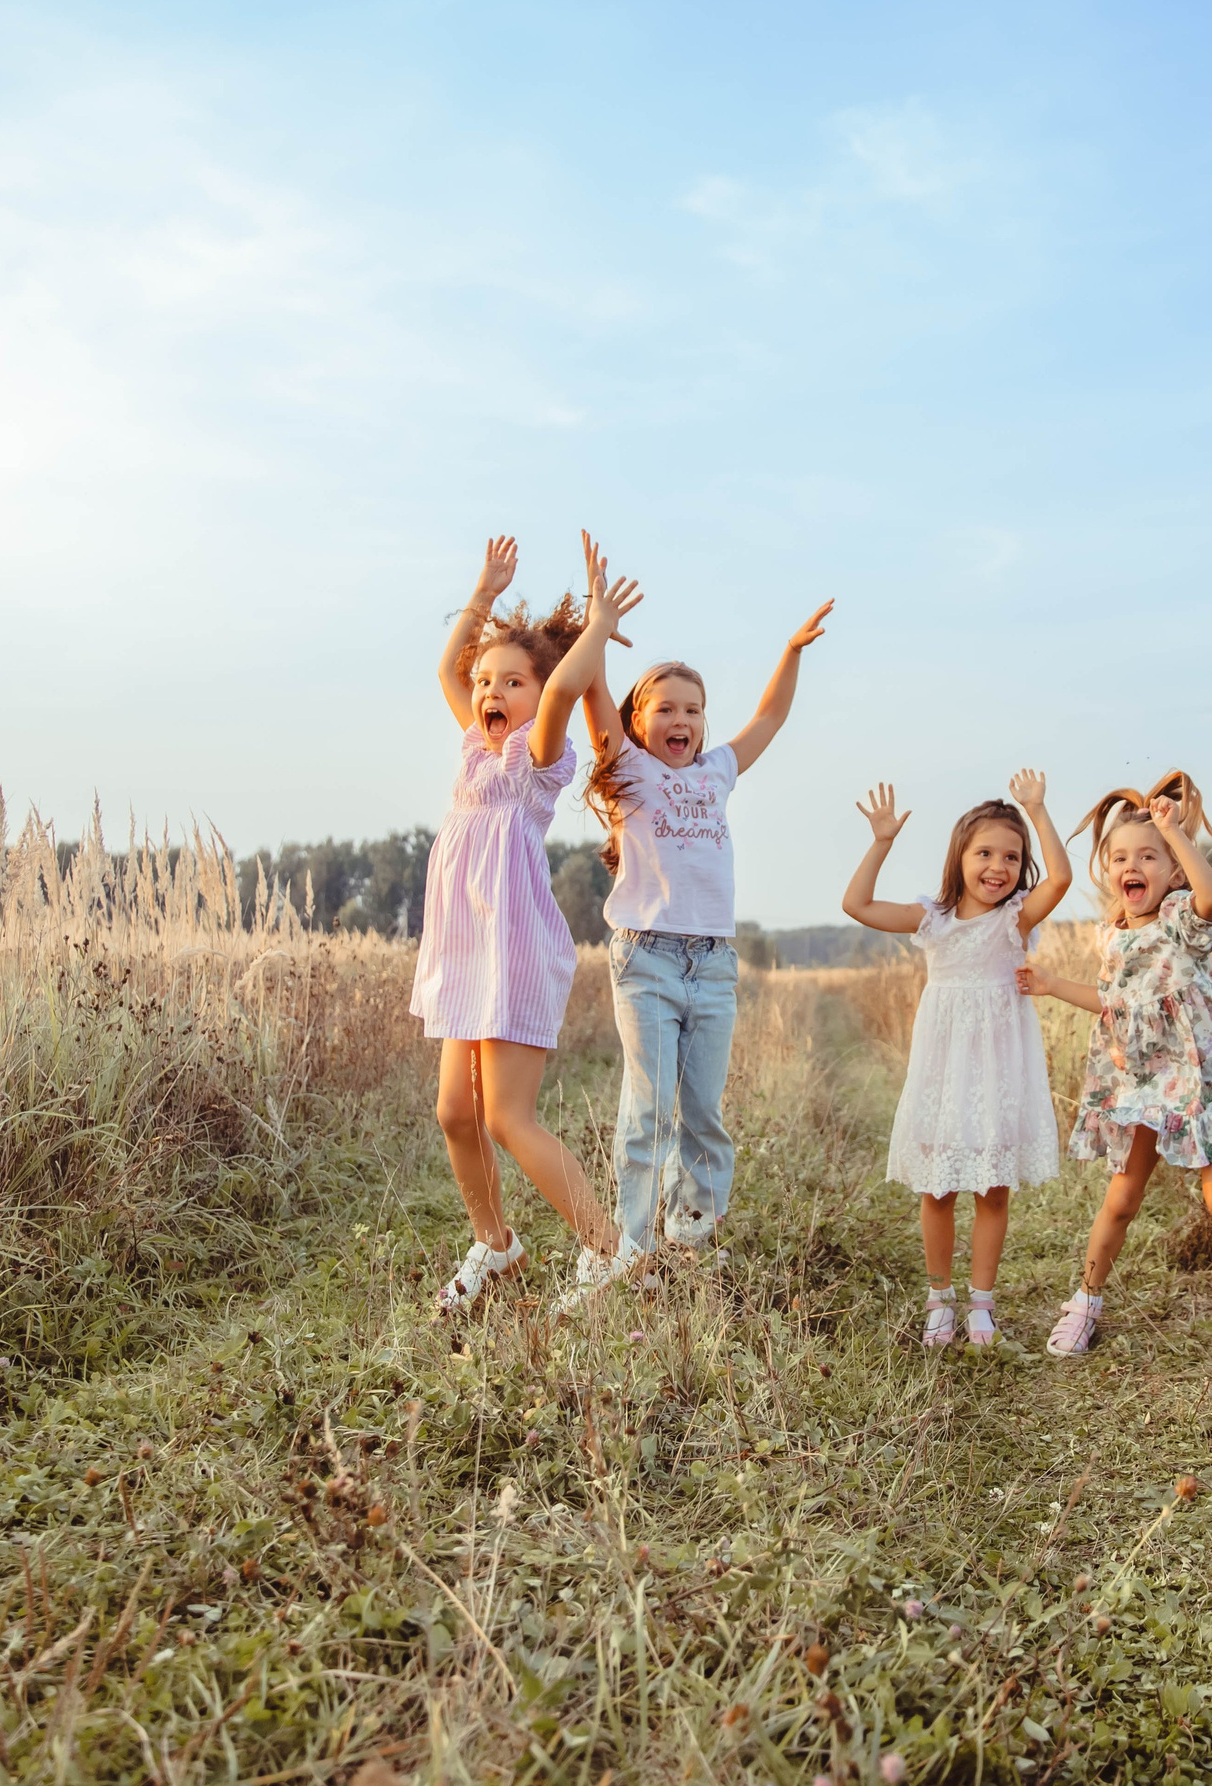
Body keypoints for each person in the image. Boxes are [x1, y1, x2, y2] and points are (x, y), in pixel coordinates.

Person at [412, 533, 641, 1313]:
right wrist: (482, 591)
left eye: (512, 680)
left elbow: (564, 691)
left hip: (512, 952)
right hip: (462, 951)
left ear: (536, 693)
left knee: (508, 1117)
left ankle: (609, 1248)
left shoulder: (533, 762)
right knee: (454, 1111)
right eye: (487, 681)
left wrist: (597, 629)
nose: (489, 690)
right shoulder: (476, 748)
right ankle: (495, 1244)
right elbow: (447, 669)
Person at [578, 599, 833, 1262]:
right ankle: (627, 1248)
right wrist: (598, 631)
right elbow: (593, 693)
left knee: (704, 1117)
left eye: (693, 709)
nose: (682, 720)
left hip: (714, 966)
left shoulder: (717, 771)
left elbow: (769, 717)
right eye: (666, 708)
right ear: (638, 722)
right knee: (648, 1114)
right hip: (649, 961)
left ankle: (689, 1236)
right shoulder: (632, 772)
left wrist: (792, 652)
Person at [1016, 773, 1212, 1356]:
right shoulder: (1114, 937)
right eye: (1121, 857)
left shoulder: (1182, 921)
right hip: (1139, 1082)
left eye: (1149, 856)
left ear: (1172, 871)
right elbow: (1113, 1005)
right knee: (1121, 1199)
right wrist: (1050, 984)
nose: (1133, 865)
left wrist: (1174, 833)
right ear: (1109, 872)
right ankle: (1086, 1303)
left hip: (1198, 1082)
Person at [843, 772, 1071, 1346]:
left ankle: (981, 1305)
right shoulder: (933, 919)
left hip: (998, 1067)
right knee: (937, 1188)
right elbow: (857, 904)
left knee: (993, 1188)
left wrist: (1037, 812)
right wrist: (882, 841)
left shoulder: (1016, 918)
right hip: (943, 1068)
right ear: (960, 856)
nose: (998, 867)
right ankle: (939, 1300)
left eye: (1012, 857)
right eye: (985, 853)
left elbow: (1061, 876)